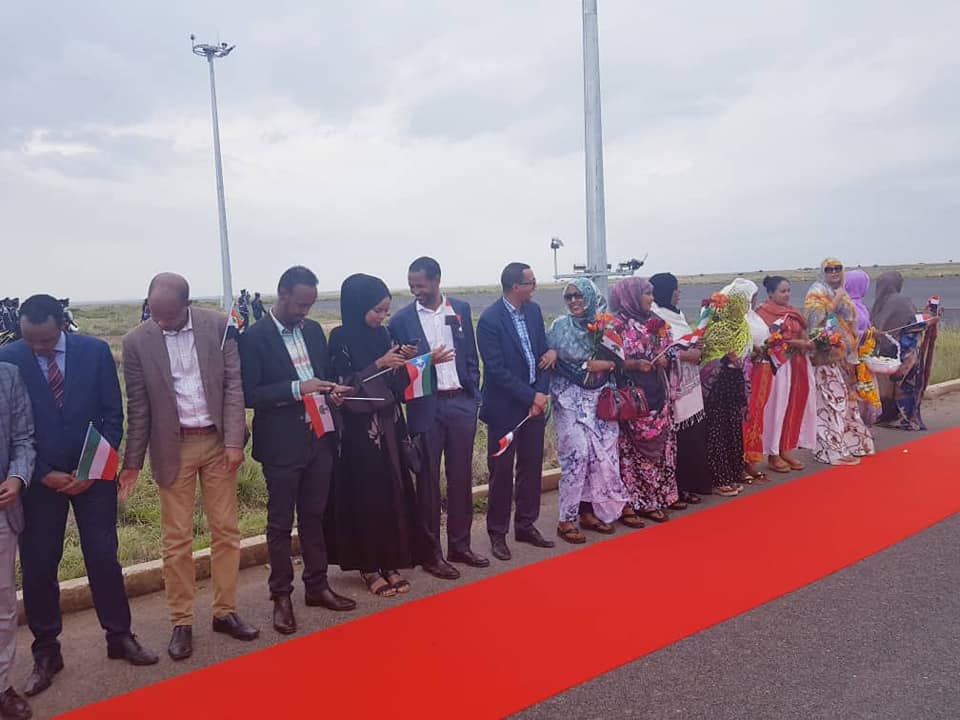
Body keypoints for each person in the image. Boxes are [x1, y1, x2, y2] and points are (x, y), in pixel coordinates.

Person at [0, 295, 158, 698]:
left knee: (103, 557)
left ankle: (119, 636)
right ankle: (46, 651)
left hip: (94, 477)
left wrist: (93, 469)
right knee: (39, 566)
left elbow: (112, 414)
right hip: (40, 482)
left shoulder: (95, 351)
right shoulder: (9, 359)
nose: (38, 348)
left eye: (46, 340)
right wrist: (41, 473)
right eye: (30, 340)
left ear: (62, 325)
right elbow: (14, 430)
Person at [120, 274, 259, 661]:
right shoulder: (136, 342)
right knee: (176, 540)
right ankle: (181, 621)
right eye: (154, 314)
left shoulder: (218, 325)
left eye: (168, 316)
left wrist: (234, 442)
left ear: (187, 303)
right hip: (172, 448)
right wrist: (131, 463)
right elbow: (138, 407)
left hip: (217, 443)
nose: (160, 323)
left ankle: (225, 612)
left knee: (226, 531)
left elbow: (233, 385)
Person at [240, 266, 356, 636]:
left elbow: (321, 376)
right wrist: (297, 389)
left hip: (319, 437)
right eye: (300, 304)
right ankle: (281, 596)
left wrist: (331, 391)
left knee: (314, 517)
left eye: (310, 305)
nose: (304, 311)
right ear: (282, 294)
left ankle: (317, 586)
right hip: (281, 444)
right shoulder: (254, 337)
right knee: (279, 524)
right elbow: (250, 394)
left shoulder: (313, 331)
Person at [327, 274, 432, 597]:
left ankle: (390, 560)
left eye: (386, 310)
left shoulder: (384, 334)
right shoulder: (340, 338)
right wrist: (378, 364)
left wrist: (402, 363)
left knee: (392, 494)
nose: (382, 317)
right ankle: (368, 565)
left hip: (390, 426)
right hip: (359, 434)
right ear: (357, 306)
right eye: (377, 310)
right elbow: (341, 387)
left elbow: (396, 387)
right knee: (367, 496)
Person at [388, 257, 489, 575]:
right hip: (425, 408)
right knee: (428, 483)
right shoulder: (401, 321)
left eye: (420, 285)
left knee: (461, 479)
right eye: (411, 285)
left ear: (437, 280)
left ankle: (460, 546)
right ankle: (431, 555)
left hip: (460, 404)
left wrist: (473, 398)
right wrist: (424, 361)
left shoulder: (460, 309)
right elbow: (397, 372)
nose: (415, 291)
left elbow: (470, 355)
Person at [547, 279, 635, 544]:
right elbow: (550, 357)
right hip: (568, 399)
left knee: (603, 456)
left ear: (590, 296)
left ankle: (592, 512)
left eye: (579, 295)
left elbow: (619, 362)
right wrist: (559, 356)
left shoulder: (606, 327)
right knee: (577, 455)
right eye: (569, 296)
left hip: (600, 400)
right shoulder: (559, 327)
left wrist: (605, 364)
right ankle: (566, 519)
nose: (574, 300)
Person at [477, 262, 555, 561]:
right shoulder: (490, 320)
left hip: (535, 404)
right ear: (515, 287)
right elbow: (496, 371)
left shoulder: (533, 311)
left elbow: (544, 355)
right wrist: (531, 396)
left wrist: (541, 394)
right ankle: (497, 533)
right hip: (504, 408)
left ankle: (525, 524)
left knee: (531, 466)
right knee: (501, 471)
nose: (535, 286)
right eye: (531, 282)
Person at [610, 277, 681, 522]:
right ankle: (637, 502)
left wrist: (666, 359)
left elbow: (671, 350)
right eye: (646, 294)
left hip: (657, 393)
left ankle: (659, 497)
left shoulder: (657, 322)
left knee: (661, 448)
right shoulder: (616, 326)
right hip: (631, 398)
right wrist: (634, 364)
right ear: (630, 296)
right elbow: (610, 362)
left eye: (651, 293)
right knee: (632, 453)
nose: (651, 298)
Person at [803, 259, 875, 464]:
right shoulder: (816, 292)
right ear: (822, 272)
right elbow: (815, 321)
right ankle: (830, 449)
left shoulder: (841, 291)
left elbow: (850, 322)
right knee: (829, 404)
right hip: (825, 357)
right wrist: (836, 300)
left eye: (838, 269)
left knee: (847, 403)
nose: (834, 272)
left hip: (845, 357)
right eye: (829, 269)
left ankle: (853, 443)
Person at [650, 273, 709, 502]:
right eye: (675, 288)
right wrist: (686, 354)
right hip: (673, 382)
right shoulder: (656, 316)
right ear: (666, 291)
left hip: (690, 381)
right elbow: (661, 349)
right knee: (679, 437)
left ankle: (694, 483)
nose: (679, 292)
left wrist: (696, 344)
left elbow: (682, 340)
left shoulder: (677, 313)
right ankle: (680, 486)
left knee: (693, 433)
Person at [0, 363, 35, 720]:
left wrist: (16, 477)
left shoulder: (8, 375)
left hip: (1, 509)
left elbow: (23, 438)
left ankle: (1, 687)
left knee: (3, 604)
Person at [755, 276, 816, 472]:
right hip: (777, 367)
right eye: (782, 291)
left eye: (788, 290)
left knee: (792, 406)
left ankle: (785, 448)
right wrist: (796, 343)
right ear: (770, 293)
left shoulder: (793, 312)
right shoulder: (762, 313)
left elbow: (805, 337)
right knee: (776, 408)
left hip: (797, 365)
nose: (787, 294)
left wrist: (805, 343)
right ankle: (772, 453)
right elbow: (767, 342)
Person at [699, 287, 751, 496]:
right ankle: (720, 477)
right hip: (718, 385)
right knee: (717, 432)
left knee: (733, 430)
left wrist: (738, 361)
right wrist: (729, 359)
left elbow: (744, 354)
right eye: (740, 304)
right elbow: (711, 355)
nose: (743, 308)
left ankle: (733, 472)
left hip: (734, 385)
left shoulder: (743, 327)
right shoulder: (718, 327)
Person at [871, 271, 936, 430]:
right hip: (905, 351)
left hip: (885, 351)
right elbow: (913, 324)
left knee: (888, 386)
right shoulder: (901, 301)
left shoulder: (878, 304)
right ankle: (907, 419)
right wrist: (930, 318)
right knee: (907, 385)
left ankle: (887, 416)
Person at [844, 269, 881, 425]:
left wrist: (871, 333)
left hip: (863, 355)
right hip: (852, 357)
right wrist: (868, 334)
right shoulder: (848, 307)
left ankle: (862, 426)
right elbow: (846, 332)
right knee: (856, 390)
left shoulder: (860, 305)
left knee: (865, 389)